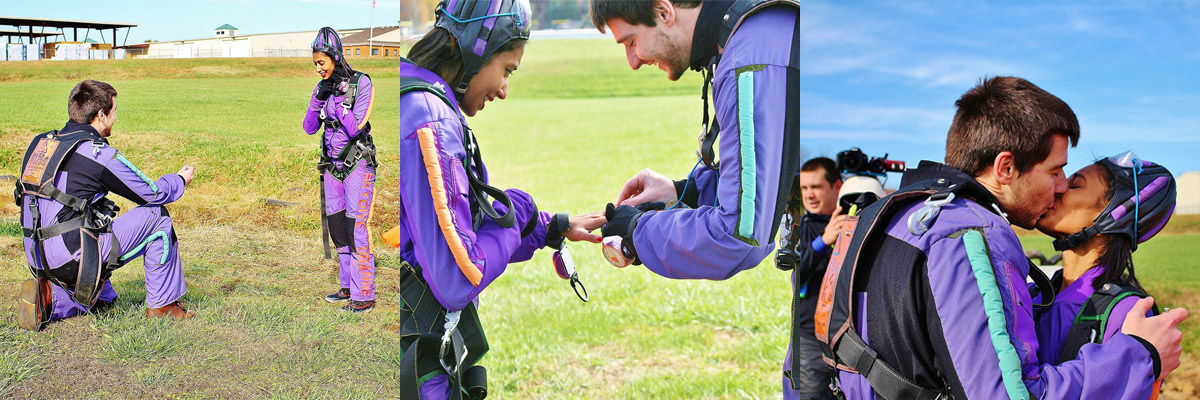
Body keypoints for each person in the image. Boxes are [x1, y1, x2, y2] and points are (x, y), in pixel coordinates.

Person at [823, 76, 1186, 399]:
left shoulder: (884, 218)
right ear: (1006, 167)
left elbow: (812, 352)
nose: (1059, 187)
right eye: (1058, 171)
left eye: (1071, 180)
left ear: (1111, 216)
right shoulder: (972, 233)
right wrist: (1140, 355)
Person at [395, 1, 603, 398]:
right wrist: (516, 211)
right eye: (507, 70)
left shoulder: (413, 96)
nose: (504, 90)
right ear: (478, 48)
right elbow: (459, 277)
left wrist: (548, 227)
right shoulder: (429, 119)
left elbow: (453, 224)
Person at [16, 79, 196, 332]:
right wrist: (178, 180)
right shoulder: (96, 152)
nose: (115, 117)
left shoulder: (40, 143)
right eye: (113, 111)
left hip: (36, 254)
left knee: (106, 298)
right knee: (158, 218)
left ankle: (50, 299)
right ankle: (163, 306)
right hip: (71, 258)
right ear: (101, 115)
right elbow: (152, 194)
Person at [1033, 151, 1177, 397]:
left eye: (1074, 185)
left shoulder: (1127, 313)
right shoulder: (1035, 293)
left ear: (1113, 214)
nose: (1058, 189)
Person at [302, 27, 378, 313]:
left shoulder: (362, 84)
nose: (318, 68)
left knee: (355, 228)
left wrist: (339, 102)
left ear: (335, 57)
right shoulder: (321, 87)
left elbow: (355, 126)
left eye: (321, 62)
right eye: (315, 64)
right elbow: (309, 127)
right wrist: (318, 98)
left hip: (357, 163)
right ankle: (346, 287)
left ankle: (364, 295)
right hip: (331, 168)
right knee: (337, 229)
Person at [775, 157, 843, 399]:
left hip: (849, 342)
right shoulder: (801, 227)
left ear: (836, 187)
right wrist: (823, 241)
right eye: (804, 188)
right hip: (811, 340)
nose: (809, 195)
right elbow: (798, 274)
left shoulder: (850, 222)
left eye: (816, 187)